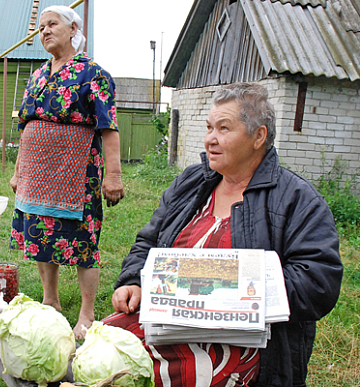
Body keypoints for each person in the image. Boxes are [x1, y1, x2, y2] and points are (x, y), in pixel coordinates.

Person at [108, 83, 343, 386]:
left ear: (258, 136)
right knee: (102, 351)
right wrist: (133, 282)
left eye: (223, 128)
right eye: (209, 127)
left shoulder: (298, 199)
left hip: (244, 345)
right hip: (166, 324)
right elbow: (149, 242)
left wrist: (227, 290)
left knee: (182, 375)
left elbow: (319, 282)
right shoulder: (191, 183)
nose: (210, 140)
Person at [9, 5, 124, 339]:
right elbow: (26, 125)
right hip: (36, 175)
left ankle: (87, 314)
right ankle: (51, 300)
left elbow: (109, 128)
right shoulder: (38, 75)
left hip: (76, 174)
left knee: (82, 243)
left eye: (52, 24)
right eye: (41, 26)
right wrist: (19, 170)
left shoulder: (93, 74)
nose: (44, 30)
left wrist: (113, 175)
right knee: (41, 236)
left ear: (74, 29)